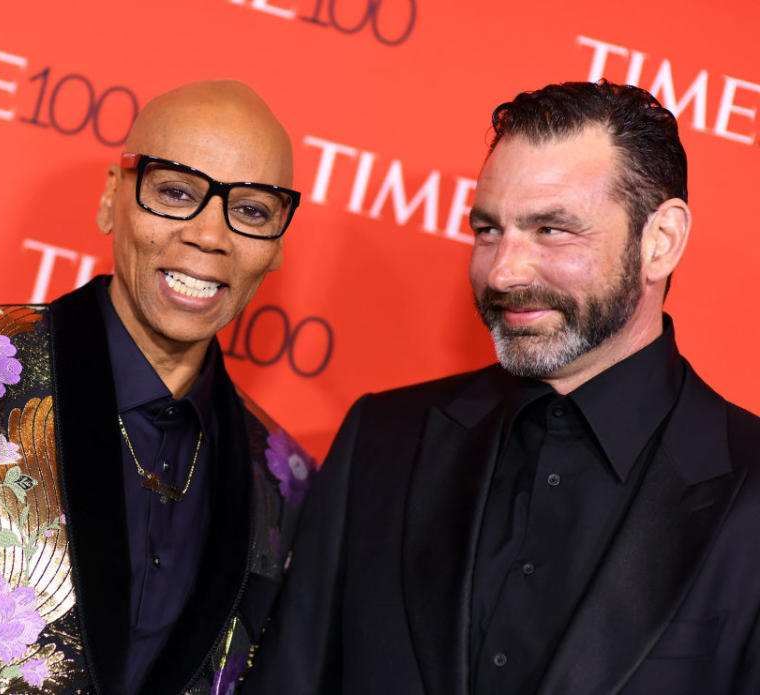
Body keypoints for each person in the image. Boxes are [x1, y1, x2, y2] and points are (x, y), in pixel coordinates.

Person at [0, 79, 317, 694]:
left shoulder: (284, 477)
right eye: (175, 192)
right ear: (110, 200)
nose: (209, 235)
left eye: (252, 210)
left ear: (277, 245)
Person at [245, 80, 760, 695]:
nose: (505, 270)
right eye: (489, 230)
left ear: (661, 241)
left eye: (551, 230)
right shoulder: (382, 441)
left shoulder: (749, 492)